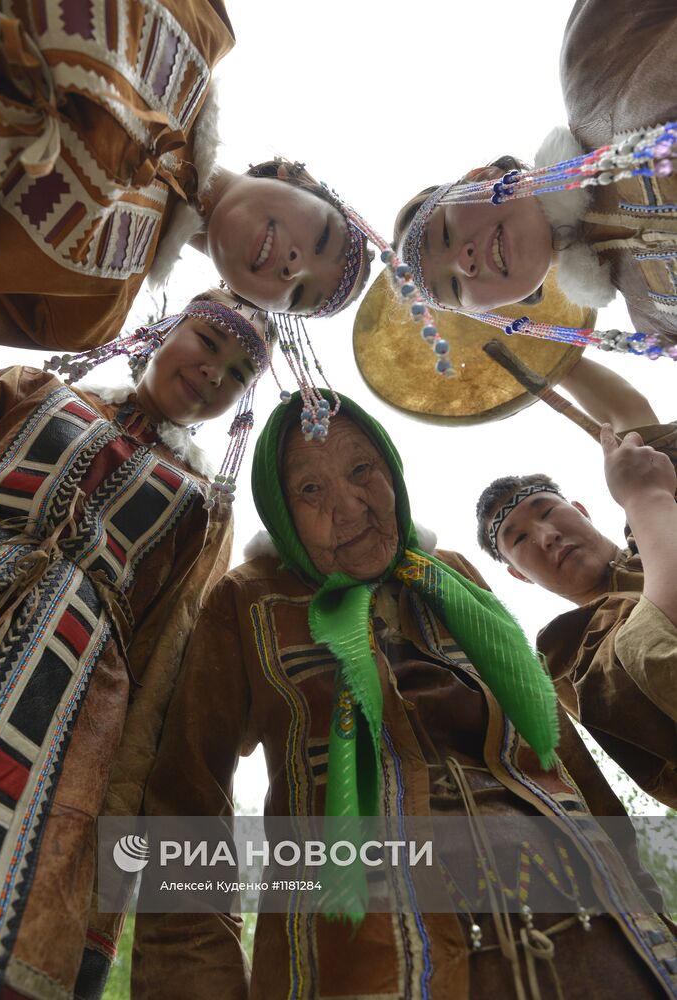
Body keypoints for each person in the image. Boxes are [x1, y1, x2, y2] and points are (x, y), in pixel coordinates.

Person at [133, 390, 675, 1000]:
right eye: (310, 491)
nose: (349, 506)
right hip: (364, 957)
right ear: (280, 510)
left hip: (598, 934)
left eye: (362, 469)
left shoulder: (454, 578)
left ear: (392, 468)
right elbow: (187, 796)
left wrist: (649, 914)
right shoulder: (248, 598)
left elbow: (558, 754)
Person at [0, 289, 272, 999]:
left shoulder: (203, 505)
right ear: (162, 330)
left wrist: (124, 793)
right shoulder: (36, 390)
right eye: (208, 342)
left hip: (62, 693)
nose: (214, 373)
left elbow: (166, 656)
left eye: (239, 373)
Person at [0, 0, 370, 350]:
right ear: (295, 177)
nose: (295, 270)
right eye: (321, 239)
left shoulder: (86, 316)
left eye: (297, 295)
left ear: (251, 303)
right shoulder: (203, 26)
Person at [391, 0, 677, 352]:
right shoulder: (657, 324)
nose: (463, 263)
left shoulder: (593, 61)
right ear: (491, 310)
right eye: (453, 287)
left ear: (482, 176)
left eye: (446, 233)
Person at [475, 356, 677, 809]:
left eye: (547, 511)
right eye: (519, 538)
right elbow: (658, 658)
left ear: (582, 510)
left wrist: (547, 346)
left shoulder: (655, 529)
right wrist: (645, 497)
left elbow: (633, 419)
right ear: (516, 575)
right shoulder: (568, 651)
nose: (547, 537)